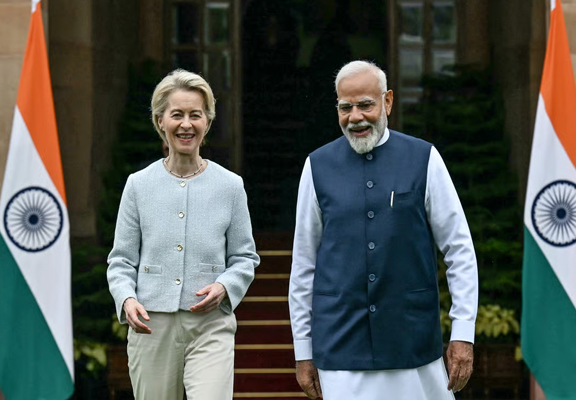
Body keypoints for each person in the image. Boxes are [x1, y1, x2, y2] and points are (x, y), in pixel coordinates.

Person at [289, 60, 478, 400]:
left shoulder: (424, 158)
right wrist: (303, 351)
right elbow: (304, 264)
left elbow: (459, 249)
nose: (355, 117)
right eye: (345, 108)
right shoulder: (316, 165)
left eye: (365, 105)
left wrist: (463, 332)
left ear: (387, 101)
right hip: (341, 345)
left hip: (413, 341)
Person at [107, 69, 260, 400]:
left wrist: (225, 285)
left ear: (208, 121)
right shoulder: (138, 185)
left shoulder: (231, 186)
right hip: (151, 326)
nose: (186, 124)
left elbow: (245, 257)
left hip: (211, 325)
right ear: (160, 120)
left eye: (196, 115)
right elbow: (120, 261)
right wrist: (126, 299)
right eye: (177, 115)